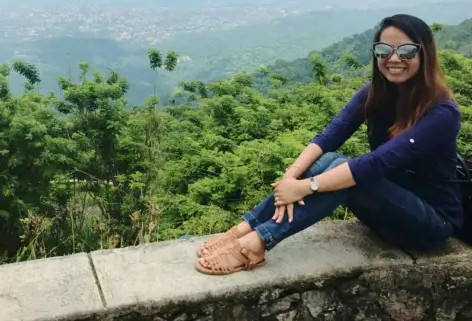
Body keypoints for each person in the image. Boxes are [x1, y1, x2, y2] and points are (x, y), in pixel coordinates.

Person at [196, 14, 464, 275]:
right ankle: (246, 228)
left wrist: (306, 186)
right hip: (387, 206)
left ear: (424, 54)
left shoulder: (442, 113)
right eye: (384, 49)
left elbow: (377, 162)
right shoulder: (375, 93)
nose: (393, 58)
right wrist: (291, 177)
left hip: (429, 222)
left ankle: (257, 244)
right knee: (328, 160)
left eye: (406, 50)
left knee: (349, 171)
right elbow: (329, 136)